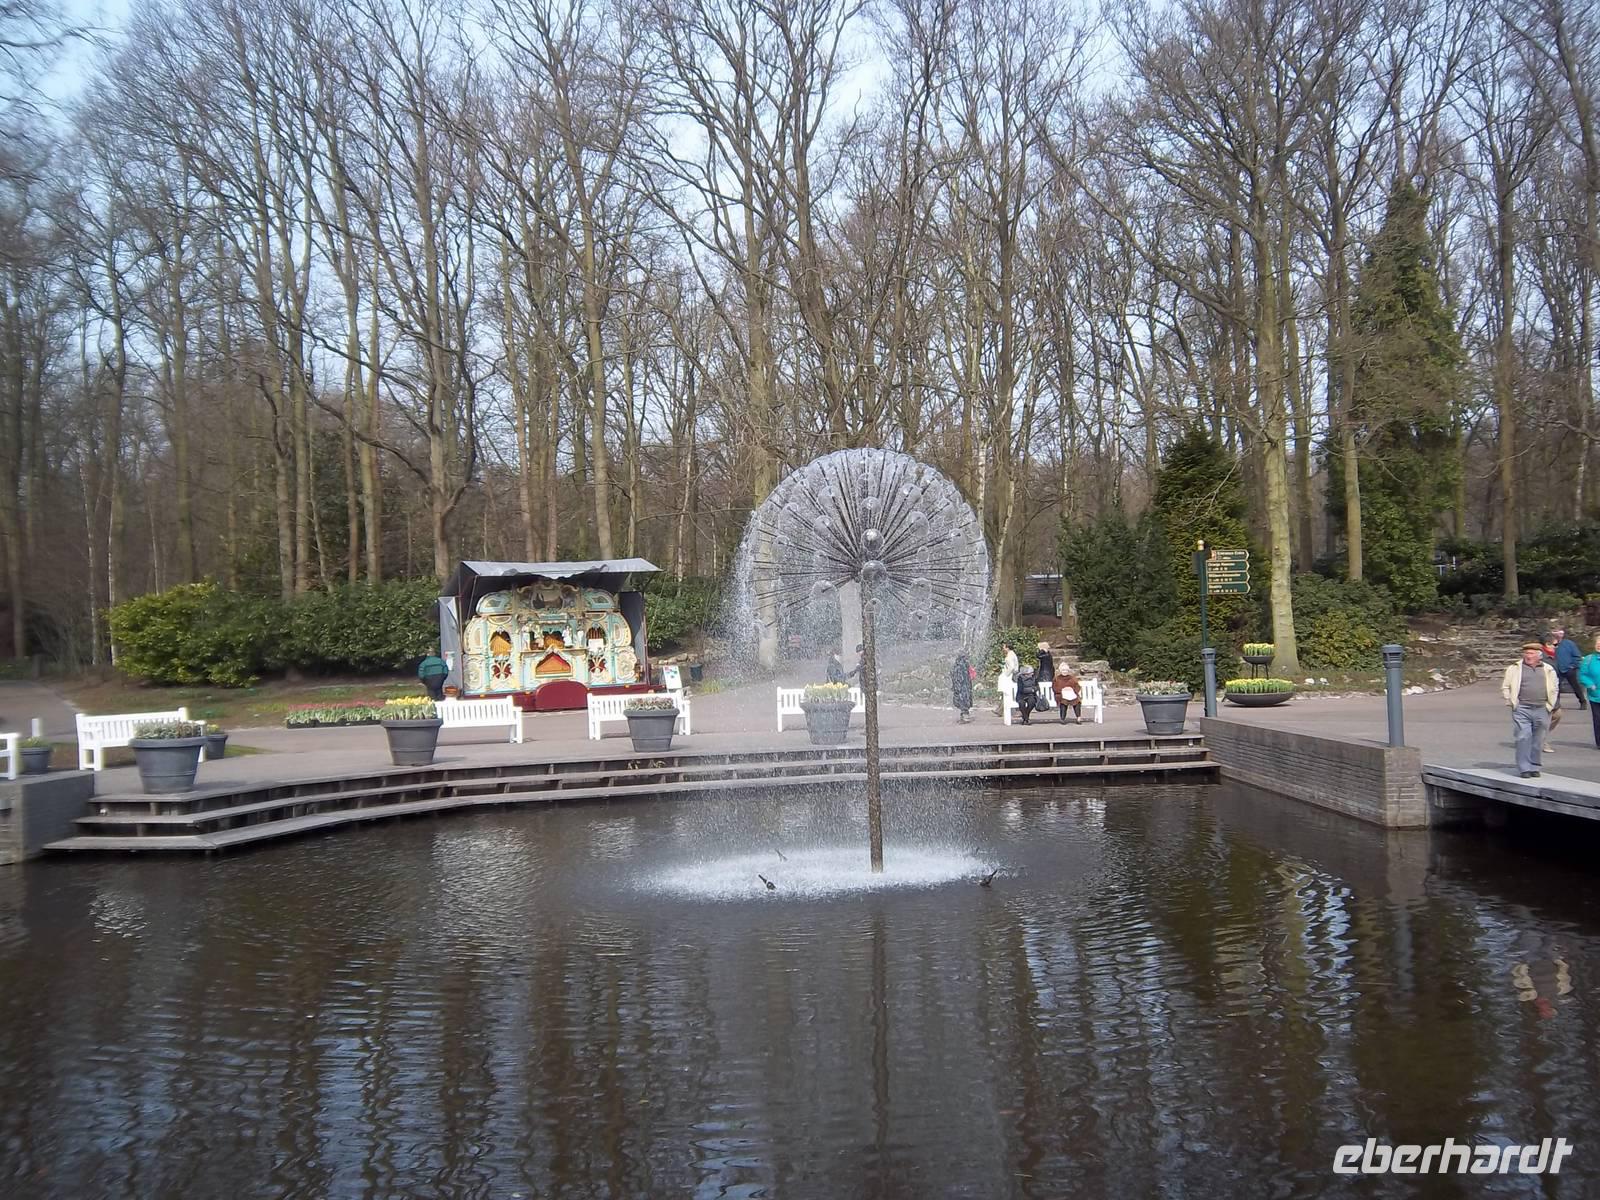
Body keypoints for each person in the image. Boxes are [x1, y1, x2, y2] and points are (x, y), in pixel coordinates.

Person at [1502, 641, 1558, 778]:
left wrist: (1550, 705)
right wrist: (1510, 700)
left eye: (1531, 653)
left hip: (1542, 708)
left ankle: (1534, 766)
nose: (1528, 656)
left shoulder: (1548, 669)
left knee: (1538, 739)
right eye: (1526, 653)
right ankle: (1524, 768)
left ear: (1539, 655)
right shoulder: (1515, 668)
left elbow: (1555, 687)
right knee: (1523, 736)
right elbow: (1506, 686)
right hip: (1522, 708)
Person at [1552, 628, 1585, 709]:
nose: (1558, 635)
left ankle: (1583, 701)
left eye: (1560, 633)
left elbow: (1577, 656)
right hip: (1556, 669)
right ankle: (1556, 704)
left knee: (1575, 686)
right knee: (1555, 687)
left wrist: (1573, 666)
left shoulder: (1569, 644)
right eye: (1556, 633)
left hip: (1569, 669)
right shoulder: (1551, 644)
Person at [1577, 635, 1600, 747]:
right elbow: (1582, 675)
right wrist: (1590, 684)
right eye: (1597, 643)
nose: (1599, 645)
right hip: (1595, 695)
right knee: (1598, 719)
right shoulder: (1588, 659)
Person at [951, 650, 974, 723]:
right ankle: (964, 715)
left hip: (961, 686)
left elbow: (958, 677)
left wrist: (956, 685)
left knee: (962, 700)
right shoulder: (964, 664)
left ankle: (965, 717)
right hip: (963, 686)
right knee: (963, 700)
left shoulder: (960, 665)